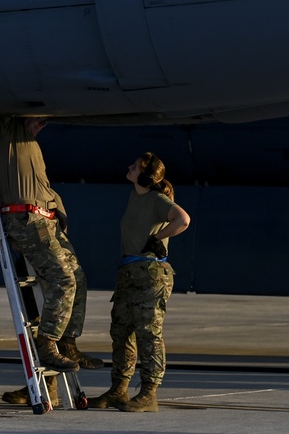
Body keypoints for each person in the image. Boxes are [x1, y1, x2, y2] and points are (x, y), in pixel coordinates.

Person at [0, 115, 102, 406]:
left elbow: (46, 189)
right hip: (27, 220)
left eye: (44, 123)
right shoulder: (10, 131)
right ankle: (48, 342)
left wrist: (58, 214)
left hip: (46, 220)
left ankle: (68, 342)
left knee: (78, 278)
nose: (41, 125)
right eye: (37, 120)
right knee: (63, 280)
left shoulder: (32, 148)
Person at [90, 152, 190, 413]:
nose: (129, 168)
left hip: (149, 274)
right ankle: (118, 391)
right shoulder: (136, 196)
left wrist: (159, 237)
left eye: (134, 167)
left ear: (145, 176)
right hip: (129, 272)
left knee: (149, 334)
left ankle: (148, 394)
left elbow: (183, 219)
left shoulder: (158, 199)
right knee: (121, 331)